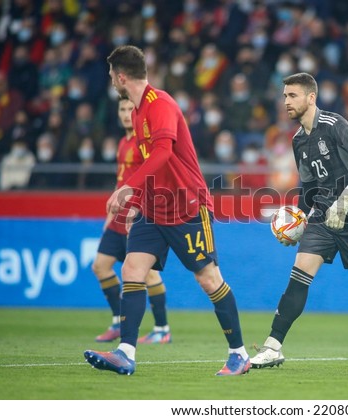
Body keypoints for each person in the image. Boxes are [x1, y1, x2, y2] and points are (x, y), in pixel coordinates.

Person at [83, 45, 249, 376]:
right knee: (132, 269)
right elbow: (152, 165)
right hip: (154, 208)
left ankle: (239, 354)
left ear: (121, 76)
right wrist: (135, 203)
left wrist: (127, 185)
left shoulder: (160, 105)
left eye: (111, 76)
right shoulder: (140, 110)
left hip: (188, 205)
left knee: (208, 278)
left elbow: (161, 153)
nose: (112, 81)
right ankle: (126, 353)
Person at [251, 73, 348, 370]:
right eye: (284, 96)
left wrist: (346, 198)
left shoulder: (333, 125)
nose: (286, 102)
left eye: (292, 95)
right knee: (300, 273)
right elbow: (309, 189)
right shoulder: (298, 141)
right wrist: (297, 219)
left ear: (311, 97)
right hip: (323, 213)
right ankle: (273, 346)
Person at [92, 97, 172, 345]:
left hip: (138, 216)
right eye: (122, 109)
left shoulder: (143, 143)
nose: (127, 114)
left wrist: (138, 210)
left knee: (146, 274)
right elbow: (121, 181)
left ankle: (161, 328)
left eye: (130, 109)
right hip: (118, 218)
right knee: (100, 266)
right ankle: (118, 320)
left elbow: (152, 177)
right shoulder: (122, 142)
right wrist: (110, 214)